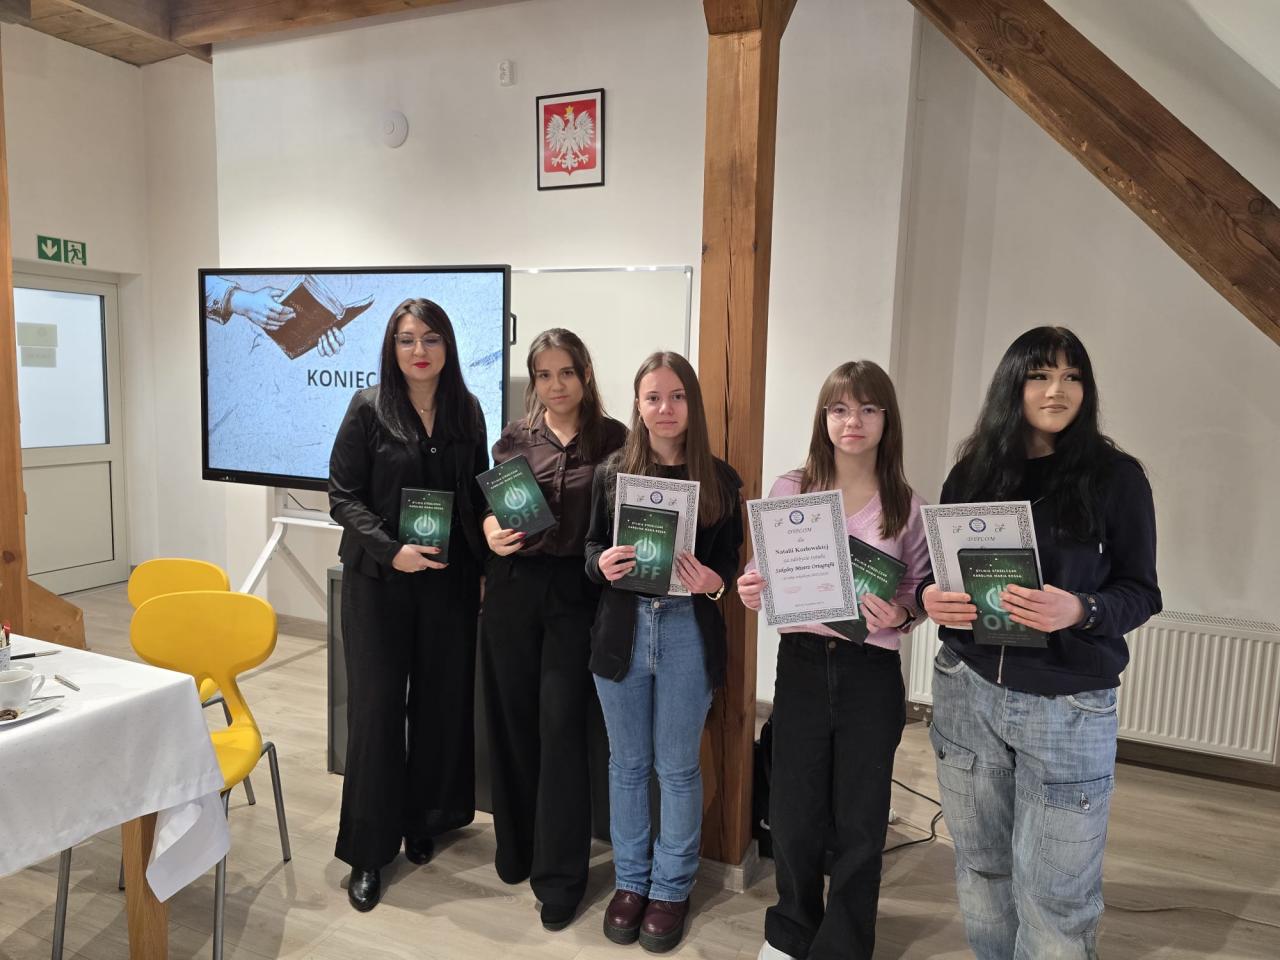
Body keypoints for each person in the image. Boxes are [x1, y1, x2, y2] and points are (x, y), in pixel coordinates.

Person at [919, 326, 1161, 959]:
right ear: (1013, 385)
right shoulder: (972, 473)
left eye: (1072, 376)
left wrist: (1080, 608)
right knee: (982, 868)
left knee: (1056, 894)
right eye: (1040, 375)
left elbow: (1142, 591)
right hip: (968, 689)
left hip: (1067, 707)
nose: (1058, 390)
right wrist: (928, 597)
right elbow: (940, 575)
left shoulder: (1116, 478)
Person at [739, 360, 930, 960]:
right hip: (799, 662)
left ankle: (845, 943)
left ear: (887, 420)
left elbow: (917, 592)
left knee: (860, 818)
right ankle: (792, 928)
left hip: (868, 671)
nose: (854, 422)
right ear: (824, 418)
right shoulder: (790, 489)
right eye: (841, 409)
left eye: (868, 409)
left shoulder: (907, 506)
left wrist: (901, 613)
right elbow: (762, 566)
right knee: (793, 811)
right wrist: (751, 586)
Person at [327, 297, 488, 911]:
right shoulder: (368, 408)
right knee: (375, 712)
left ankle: (425, 818)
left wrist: (488, 557)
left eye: (430, 338)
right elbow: (342, 495)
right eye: (406, 339)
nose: (419, 350)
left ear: (448, 346)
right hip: (379, 582)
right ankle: (369, 851)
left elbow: (477, 495)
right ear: (391, 349)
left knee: (440, 705)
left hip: (447, 583)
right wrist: (391, 550)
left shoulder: (467, 410)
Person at [584, 351, 743, 954]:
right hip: (622, 632)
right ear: (638, 404)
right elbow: (590, 550)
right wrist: (600, 564)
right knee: (626, 766)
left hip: (685, 632)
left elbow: (730, 565)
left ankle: (671, 888)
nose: (664, 408)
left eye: (676, 396)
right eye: (653, 397)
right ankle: (631, 882)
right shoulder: (612, 474)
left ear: (691, 404)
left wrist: (716, 583)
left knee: (677, 768)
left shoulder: (720, 480)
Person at [480, 328, 627, 931]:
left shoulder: (616, 440)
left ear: (585, 374)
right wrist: (490, 530)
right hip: (513, 588)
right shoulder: (515, 438)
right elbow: (492, 508)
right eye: (544, 375)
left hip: (578, 595)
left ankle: (561, 877)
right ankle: (515, 848)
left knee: (562, 729)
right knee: (513, 722)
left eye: (566, 372)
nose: (555, 385)